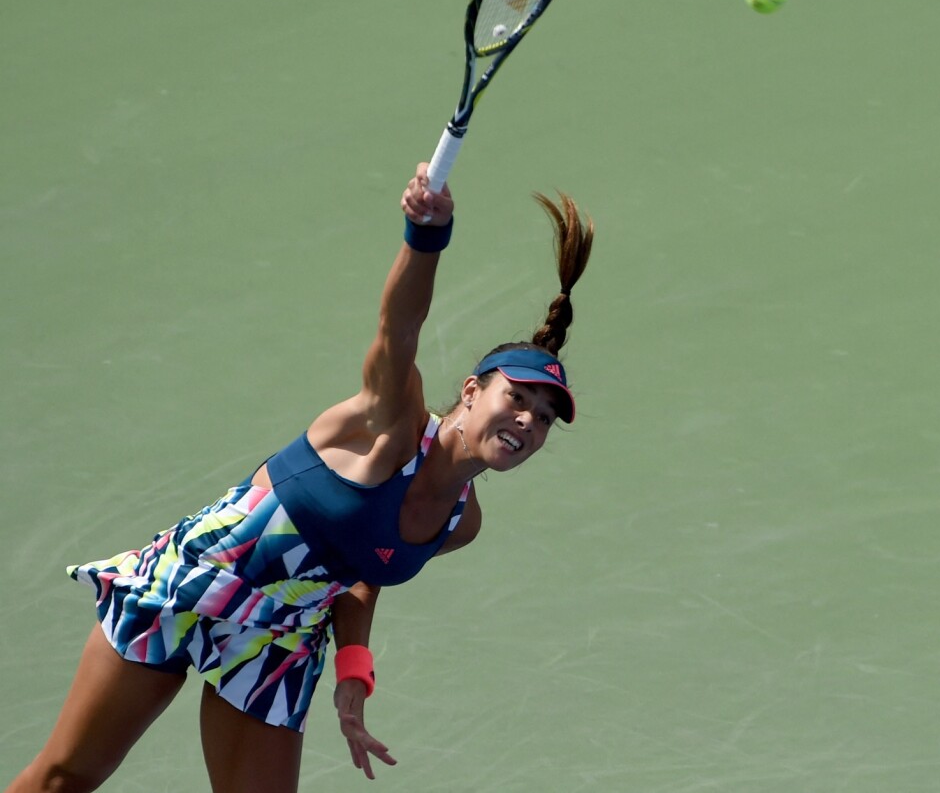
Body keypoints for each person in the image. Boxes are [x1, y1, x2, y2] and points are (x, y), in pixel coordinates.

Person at [5, 163, 594, 793]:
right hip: (197, 585)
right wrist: (426, 236)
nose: (530, 421)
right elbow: (400, 328)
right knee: (63, 780)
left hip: (281, 639)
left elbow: (362, 572)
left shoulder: (461, 521)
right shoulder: (391, 426)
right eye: (518, 399)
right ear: (472, 392)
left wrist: (353, 670)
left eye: (545, 417)